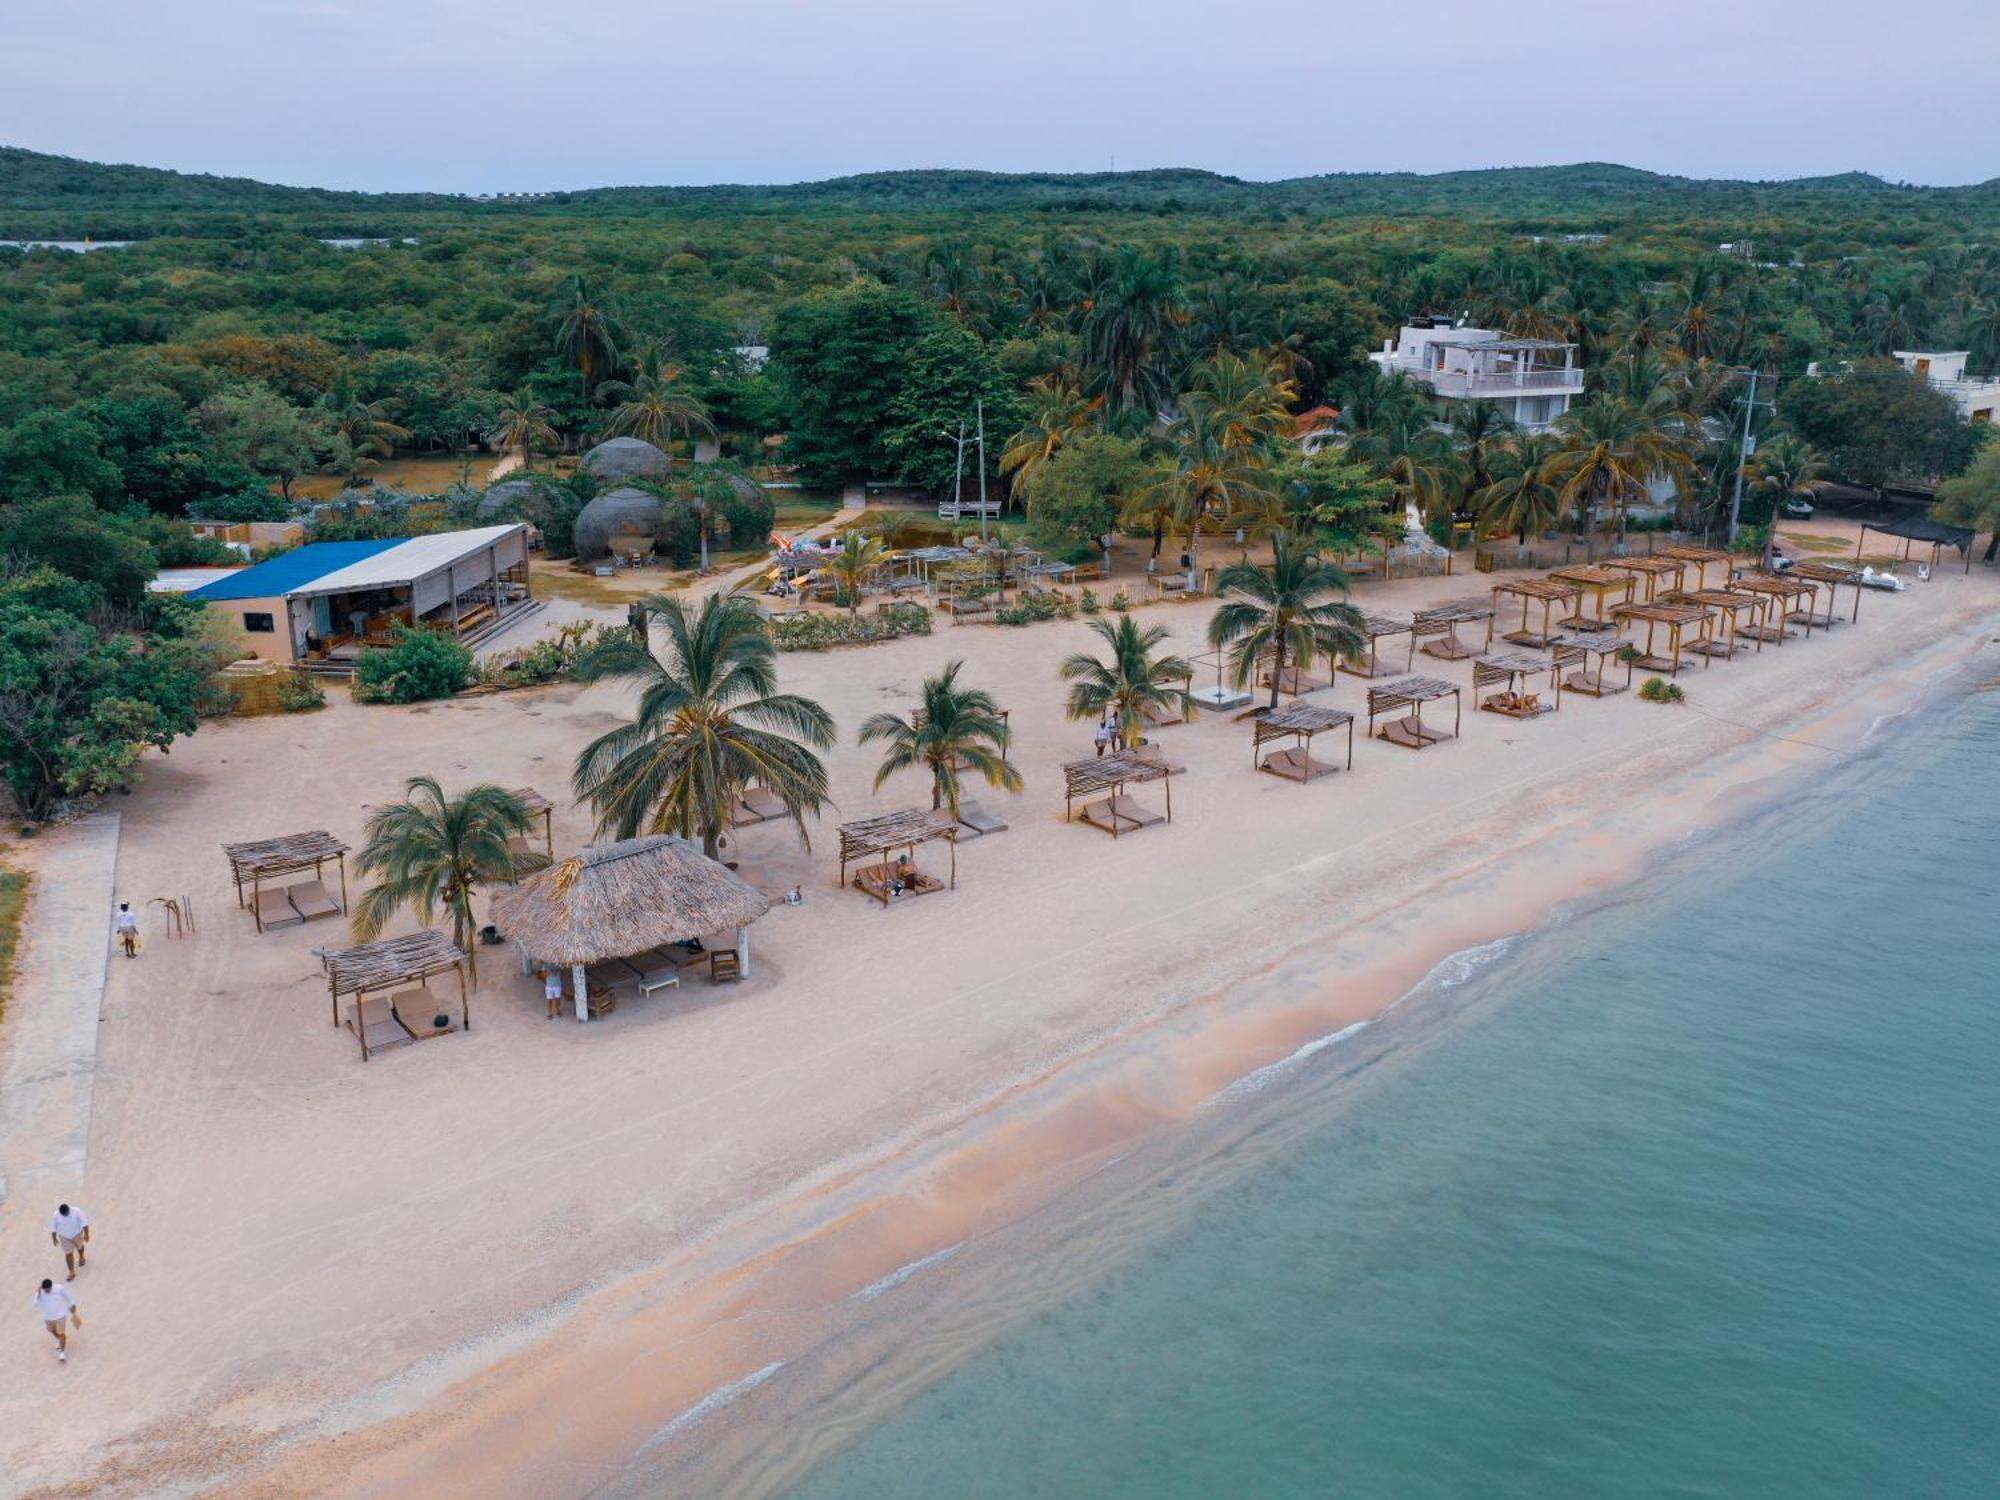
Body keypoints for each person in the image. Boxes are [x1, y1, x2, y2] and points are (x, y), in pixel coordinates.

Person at [34, 1279, 79, 1362]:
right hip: (48, 1318)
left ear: (51, 1286)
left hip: (60, 1316)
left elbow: (68, 1296)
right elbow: (34, 1304)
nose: (47, 1291)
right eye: (45, 1290)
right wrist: (38, 1295)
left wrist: (73, 1304)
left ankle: (62, 1353)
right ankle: (60, 1340)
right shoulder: (40, 1292)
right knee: (52, 1331)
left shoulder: (59, 1288)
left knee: (61, 1334)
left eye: (48, 1289)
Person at [49, 1203, 89, 1279]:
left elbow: (84, 1222)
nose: (65, 1215)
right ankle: (71, 1271)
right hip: (64, 1237)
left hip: (77, 1233)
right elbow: (53, 1227)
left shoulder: (77, 1211)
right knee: (68, 1254)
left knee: (80, 1247)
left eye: (66, 1214)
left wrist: (87, 1235)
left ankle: (81, 1257)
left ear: (69, 1210)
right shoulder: (56, 1215)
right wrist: (54, 1238)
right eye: (63, 1215)